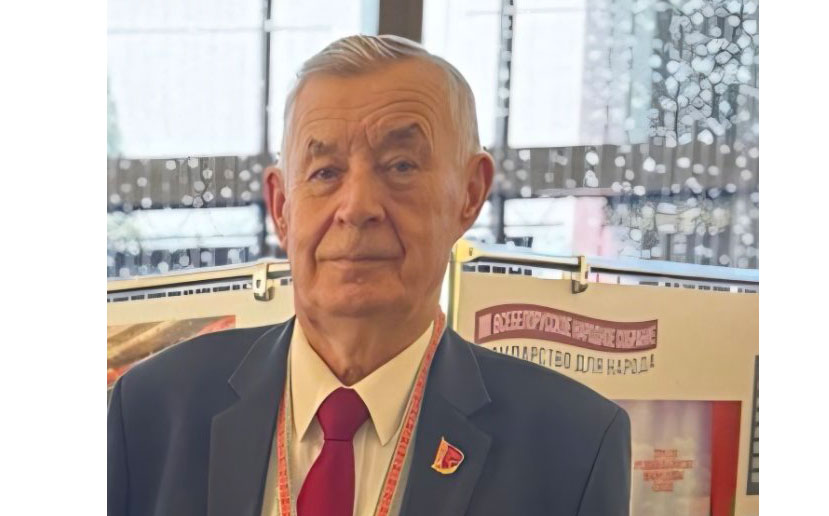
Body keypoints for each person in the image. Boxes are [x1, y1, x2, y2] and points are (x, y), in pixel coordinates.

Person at [108, 34, 631, 516]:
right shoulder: (153, 410)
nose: (357, 207)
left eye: (401, 166)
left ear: (470, 193)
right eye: (325, 172)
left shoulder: (572, 446)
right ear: (281, 206)